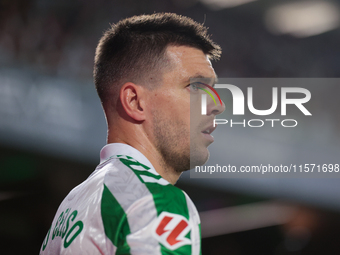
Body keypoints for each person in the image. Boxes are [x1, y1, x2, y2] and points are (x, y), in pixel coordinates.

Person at [40, 13, 225, 255]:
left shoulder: (72, 205)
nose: (217, 105)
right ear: (134, 101)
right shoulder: (155, 200)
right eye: (196, 87)